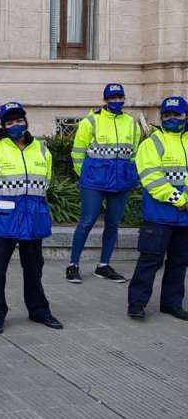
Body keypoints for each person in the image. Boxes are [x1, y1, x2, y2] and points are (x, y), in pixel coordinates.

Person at [0, 102, 63, 335]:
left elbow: (45, 182)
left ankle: (39, 310)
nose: (16, 125)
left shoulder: (42, 150)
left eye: (19, 120)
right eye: (10, 122)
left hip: (33, 219)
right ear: (3, 126)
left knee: (34, 268)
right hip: (3, 221)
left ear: (26, 121)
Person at [67, 83, 140, 284]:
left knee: (113, 224)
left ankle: (103, 266)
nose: (116, 101)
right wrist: (86, 175)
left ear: (124, 98)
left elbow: (134, 153)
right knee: (87, 221)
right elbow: (78, 152)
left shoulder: (131, 123)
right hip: (94, 181)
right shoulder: (90, 121)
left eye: (119, 98)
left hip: (120, 181)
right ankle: (73, 265)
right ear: (105, 100)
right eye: (112, 98)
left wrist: (129, 174)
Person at [128, 96, 188, 321]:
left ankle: (171, 304)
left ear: (185, 116)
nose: (172, 118)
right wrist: (180, 200)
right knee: (149, 261)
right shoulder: (151, 144)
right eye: (167, 115)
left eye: (177, 114)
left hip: (184, 218)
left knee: (179, 263)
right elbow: (152, 179)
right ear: (161, 117)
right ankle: (136, 303)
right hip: (159, 215)